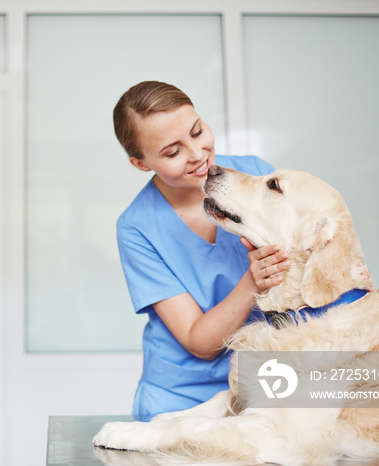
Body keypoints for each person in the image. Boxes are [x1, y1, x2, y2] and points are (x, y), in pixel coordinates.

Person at [114, 81, 290, 420]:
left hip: (266, 384)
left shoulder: (255, 174)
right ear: (141, 162)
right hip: (182, 401)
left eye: (197, 132)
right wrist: (253, 282)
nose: (197, 154)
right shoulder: (136, 226)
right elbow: (200, 341)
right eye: (172, 152)